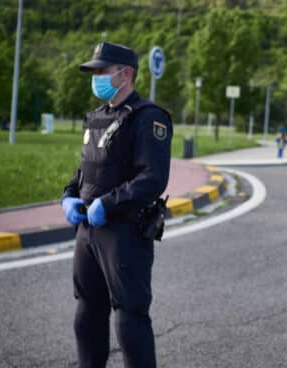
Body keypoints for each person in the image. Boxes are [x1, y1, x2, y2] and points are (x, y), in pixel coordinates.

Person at [61, 41, 172, 368]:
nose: (95, 77)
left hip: (123, 231)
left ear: (126, 74)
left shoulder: (148, 118)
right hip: (87, 231)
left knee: (130, 318)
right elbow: (86, 168)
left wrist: (107, 204)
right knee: (87, 311)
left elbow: (153, 178)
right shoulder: (96, 117)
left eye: (101, 70)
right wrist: (69, 194)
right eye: (94, 71)